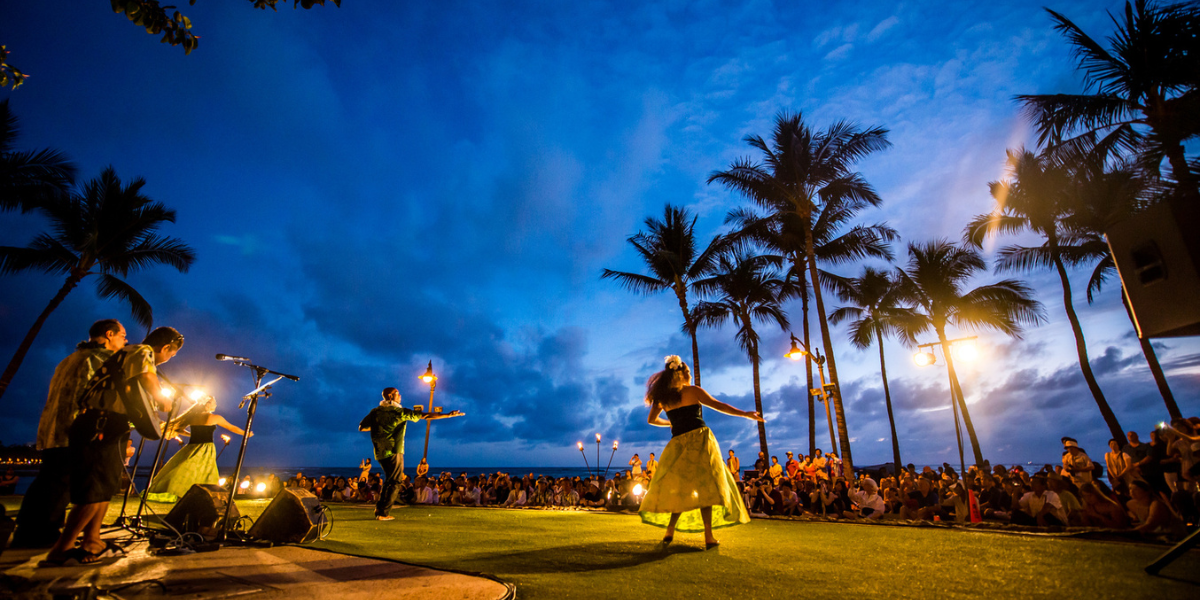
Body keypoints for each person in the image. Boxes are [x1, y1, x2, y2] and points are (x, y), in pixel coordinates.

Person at [41, 326, 181, 566]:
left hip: (111, 425)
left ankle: (92, 541)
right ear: (166, 347)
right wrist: (162, 399)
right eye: (172, 354)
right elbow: (148, 378)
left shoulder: (126, 359)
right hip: (99, 425)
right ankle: (61, 549)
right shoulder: (141, 351)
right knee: (93, 488)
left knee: (104, 488)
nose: (169, 359)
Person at [14, 320, 126, 548]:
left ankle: (28, 533)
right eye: (122, 336)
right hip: (78, 429)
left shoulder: (69, 359)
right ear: (109, 334)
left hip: (52, 428)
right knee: (63, 485)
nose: (125, 341)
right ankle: (42, 536)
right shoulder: (102, 359)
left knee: (48, 481)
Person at [638, 355, 762, 549]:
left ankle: (670, 530)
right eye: (688, 373)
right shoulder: (693, 391)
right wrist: (744, 414)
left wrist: (671, 423)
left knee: (680, 489)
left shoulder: (664, 397)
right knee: (706, 489)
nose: (689, 376)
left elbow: (652, 420)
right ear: (682, 374)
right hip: (700, 440)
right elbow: (719, 406)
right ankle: (708, 536)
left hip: (678, 444)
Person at [358, 387, 462, 521]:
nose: (400, 396)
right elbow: (425, 415)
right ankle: (383, 512)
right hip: (394, 449)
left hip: (380, 451)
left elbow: (362, 427)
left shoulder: (375, 412)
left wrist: (380, 427)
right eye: (398, 393)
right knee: (395, 481)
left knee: (390, 480)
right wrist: (448, 415)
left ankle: (380, 509)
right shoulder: (399, 412)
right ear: (390, 396)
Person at [145, 396, 251, 502]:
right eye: (214, 402)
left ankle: (178, 491)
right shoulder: (214, 417)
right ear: (207, 404)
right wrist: (246, 433)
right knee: (205, 471)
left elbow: (178, 429)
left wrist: (190, 434)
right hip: (206, 448)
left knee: (184, 470)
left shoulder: (192, 417)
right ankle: (204, 495)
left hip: (191, 447)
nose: (216, 405)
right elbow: (231, 427)